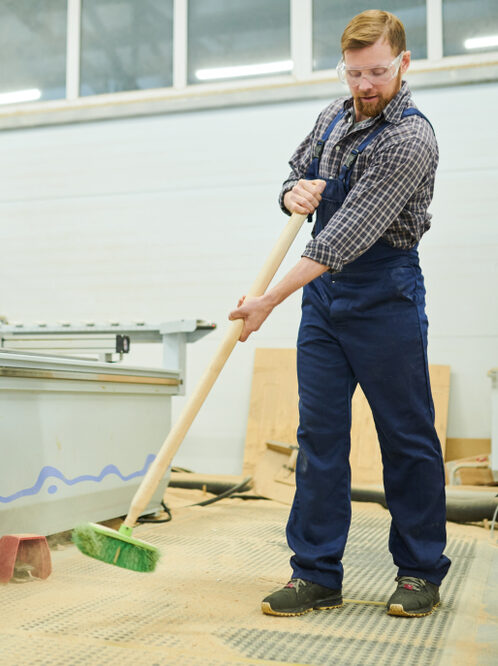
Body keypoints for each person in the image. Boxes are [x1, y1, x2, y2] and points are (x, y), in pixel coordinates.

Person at [229, 9, 451, 618]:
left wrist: (270, 298)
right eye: (353, 73)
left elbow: (341, 239)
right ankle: (316, 573)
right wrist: (290, 193)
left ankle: (419, 571)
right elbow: (296, 176)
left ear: (403, 64)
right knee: (319, 437)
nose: (364, 86)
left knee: (405, 437)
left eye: (377, 72)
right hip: (325, 303)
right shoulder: (332, 115)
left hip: (385, 295)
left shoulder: (410, 137)